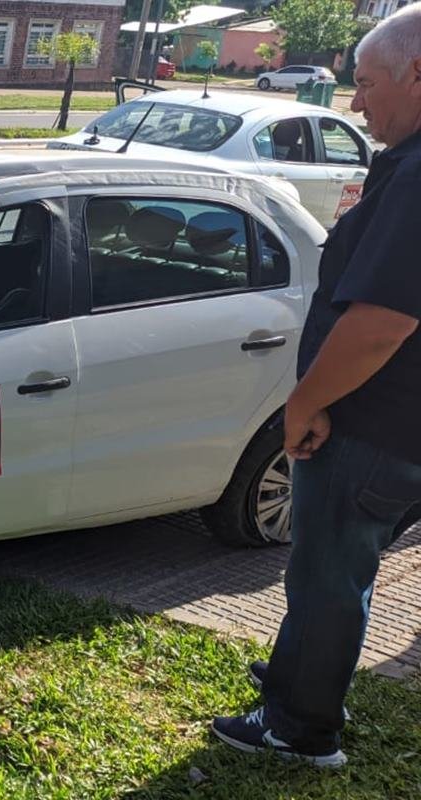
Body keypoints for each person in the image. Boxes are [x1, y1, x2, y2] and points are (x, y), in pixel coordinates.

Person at [210, 2, 421, 768]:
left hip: (369, 426)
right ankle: (297, 681)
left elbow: (380, 324)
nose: (356, 105)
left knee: (330, 574)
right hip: (398, 425)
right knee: (330, 570)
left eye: (365, 83)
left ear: (418, 72)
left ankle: (300, 727)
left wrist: (305, 403)